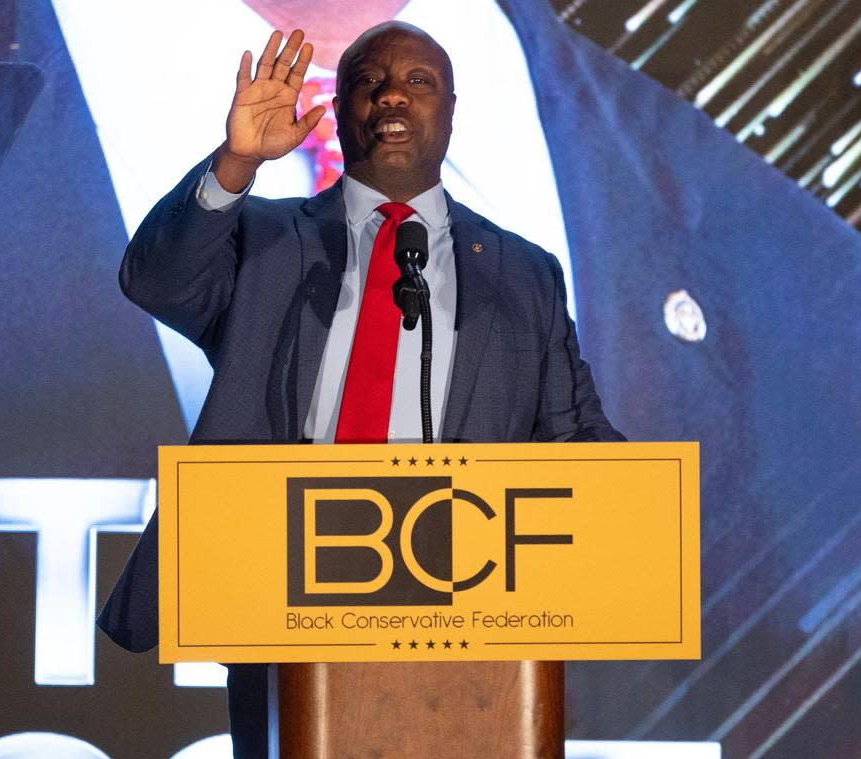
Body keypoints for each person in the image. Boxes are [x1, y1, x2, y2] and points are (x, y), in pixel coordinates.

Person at [100, 22, 623, 758]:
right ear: (339, 108)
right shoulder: (265, 241)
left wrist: (648, 511)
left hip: (472, 605)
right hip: (284, 587)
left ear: (451, 109)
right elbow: (155, 278)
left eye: (419, 81)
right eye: (369, 81)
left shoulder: (524, 273)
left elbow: (577, 439)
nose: (392, 95)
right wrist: (234, 164)